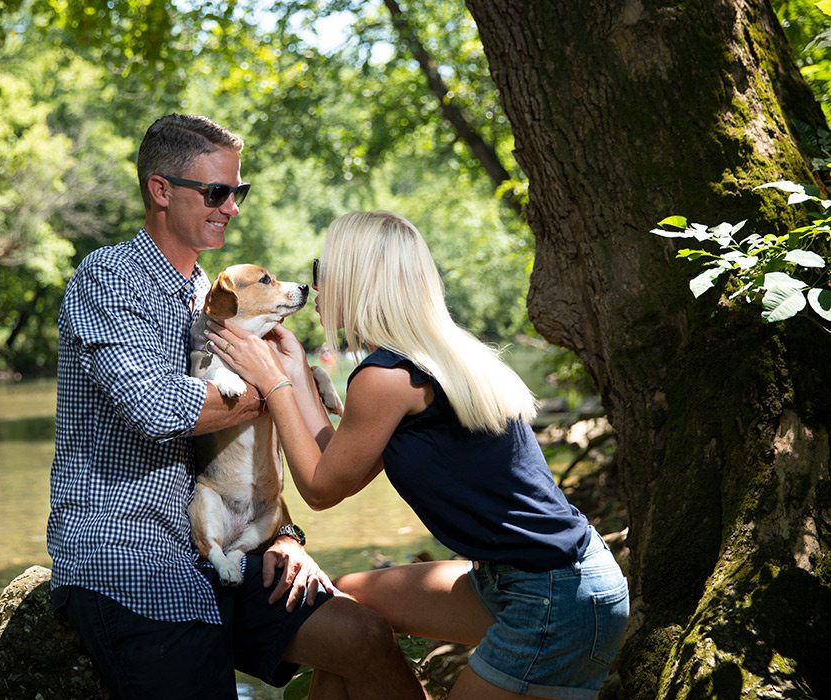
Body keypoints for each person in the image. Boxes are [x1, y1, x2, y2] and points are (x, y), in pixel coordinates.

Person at [46, 117, 424, 700]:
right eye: (217, 192)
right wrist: (273, 384)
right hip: (134, 558)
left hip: (234, 544)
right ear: (161, 190)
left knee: (364, 637)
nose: (232, 208)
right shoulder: (109, 278)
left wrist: (283, 535)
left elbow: (250, 449)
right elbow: (158, 408)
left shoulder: (219, 293)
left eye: (237, 192)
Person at [206, 210, 630, 700]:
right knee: (343, 608)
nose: (314, 285)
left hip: (555, 598)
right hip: (537, 577)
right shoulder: (436, 356)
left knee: (341, 623)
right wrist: (296, 369)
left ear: (356, 279)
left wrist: (273, 383)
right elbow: (334, 463)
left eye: (324, 270)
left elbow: (319, 490)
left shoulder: (385, 378)